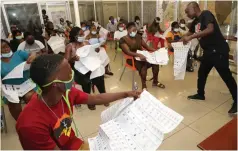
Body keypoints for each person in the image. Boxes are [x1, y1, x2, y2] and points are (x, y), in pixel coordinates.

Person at [16, 54, 140, 150]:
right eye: (69, 73)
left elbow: (97, 98)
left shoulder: (67, 93)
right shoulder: (30, 124)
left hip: (74, 144)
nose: (73, 76)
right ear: (56, 84)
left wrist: (126, 94)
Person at [183, 2, 237, 114]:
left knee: (226, 76)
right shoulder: (195, 22)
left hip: (218, 51)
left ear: (194, 8)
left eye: (187, 11)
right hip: (208, 52)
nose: (186, 14)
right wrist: (177, 42)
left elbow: (210, 29)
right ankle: (200, 94)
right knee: (202, 73)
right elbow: (188, 34)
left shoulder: (206, 14)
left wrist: (191, 36)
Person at [65, 27, 109, 110]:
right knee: (86, 80)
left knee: (99, 75)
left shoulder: (86, 43)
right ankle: (89, 100)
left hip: (89, 65)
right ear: (74, 36)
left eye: (83, 34)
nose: (82, 36)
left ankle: (103, 96)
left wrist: (96, 50)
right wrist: (73, 59)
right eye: (80, 34)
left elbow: (93, 52)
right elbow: (66, 61)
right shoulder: (70, 47)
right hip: (78, 68)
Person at [120, 22, 165, 90]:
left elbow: (147, 47)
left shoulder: (138, 37)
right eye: (133, 30)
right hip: (132, 58)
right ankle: (144, 86)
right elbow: (128, 52)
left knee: (156, 62)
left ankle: (155, 82)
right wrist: (139, 55)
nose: (135, 32)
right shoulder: (123, 40)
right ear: (128, 30)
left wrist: (157, 50)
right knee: (143, 65)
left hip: (142, 56)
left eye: (135, 30)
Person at [1, 39, 36, 120]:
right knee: (14, 104)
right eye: (3, 48)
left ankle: (36, 118)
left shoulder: (19, 54)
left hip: (26, 84)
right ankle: (21, 121)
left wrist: (33, 55)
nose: (6, 49)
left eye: (7, 46)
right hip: (10, 88)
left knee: (30, 98)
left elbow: (33, 54)